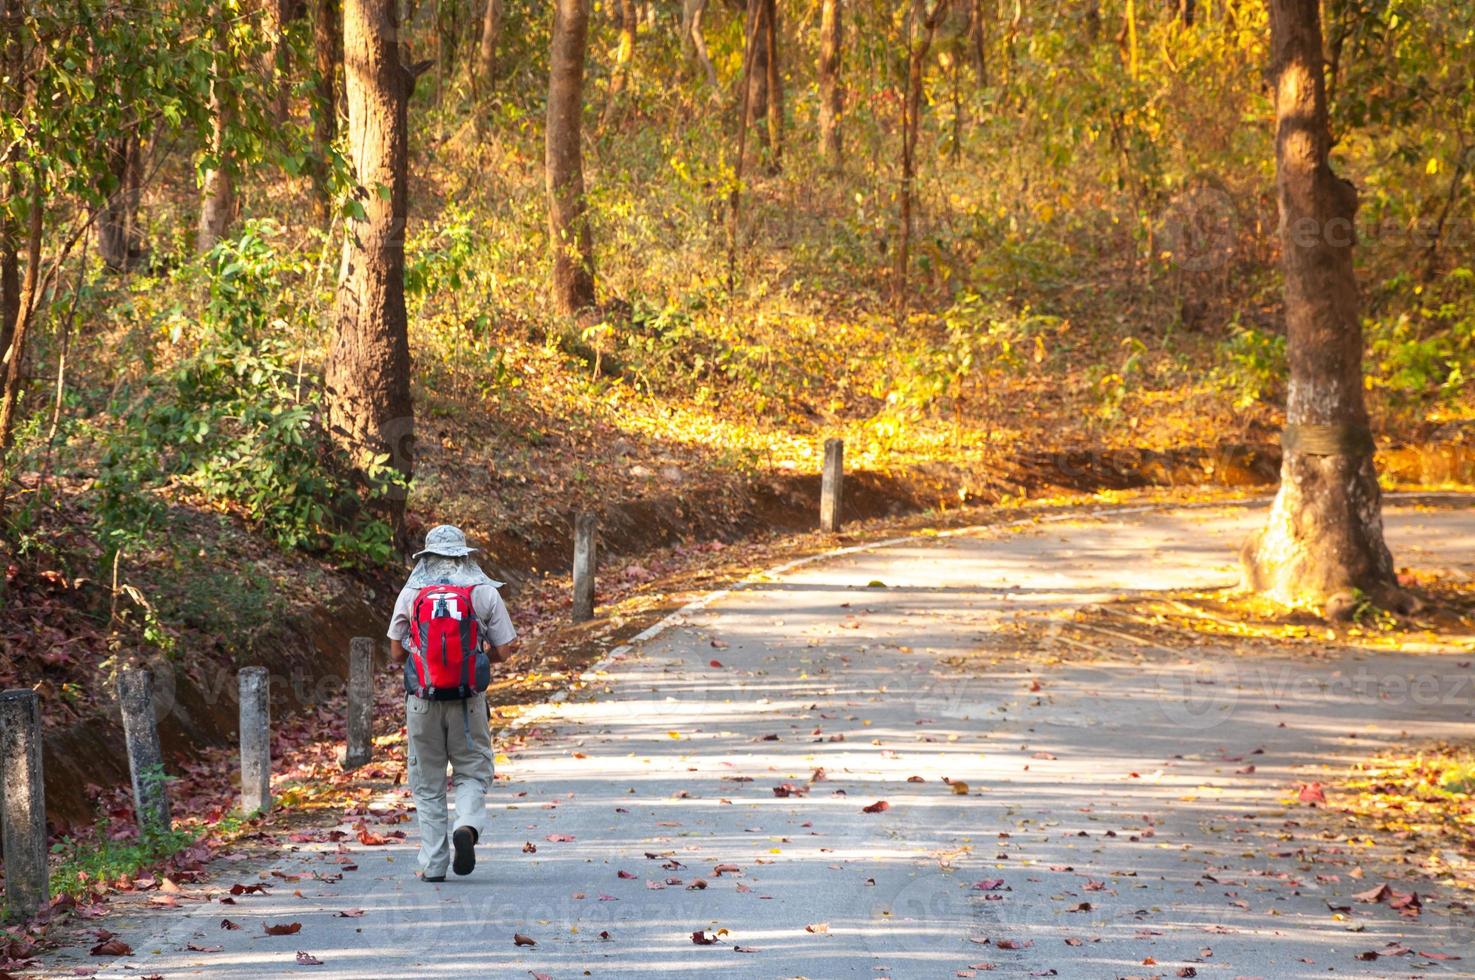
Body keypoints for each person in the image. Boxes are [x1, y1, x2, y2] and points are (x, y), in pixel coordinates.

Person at [387, 524, 518, 882]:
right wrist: (474, 661)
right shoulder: (483, 592)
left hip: (422, 702)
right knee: (473, 771)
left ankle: (433, 864)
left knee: (427, 783)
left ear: (426, 556)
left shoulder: (411, 593)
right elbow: (505, 649)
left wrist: (428, 664)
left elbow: (397, 651)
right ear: (464, 554)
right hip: (468, 702)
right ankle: (466, 826)